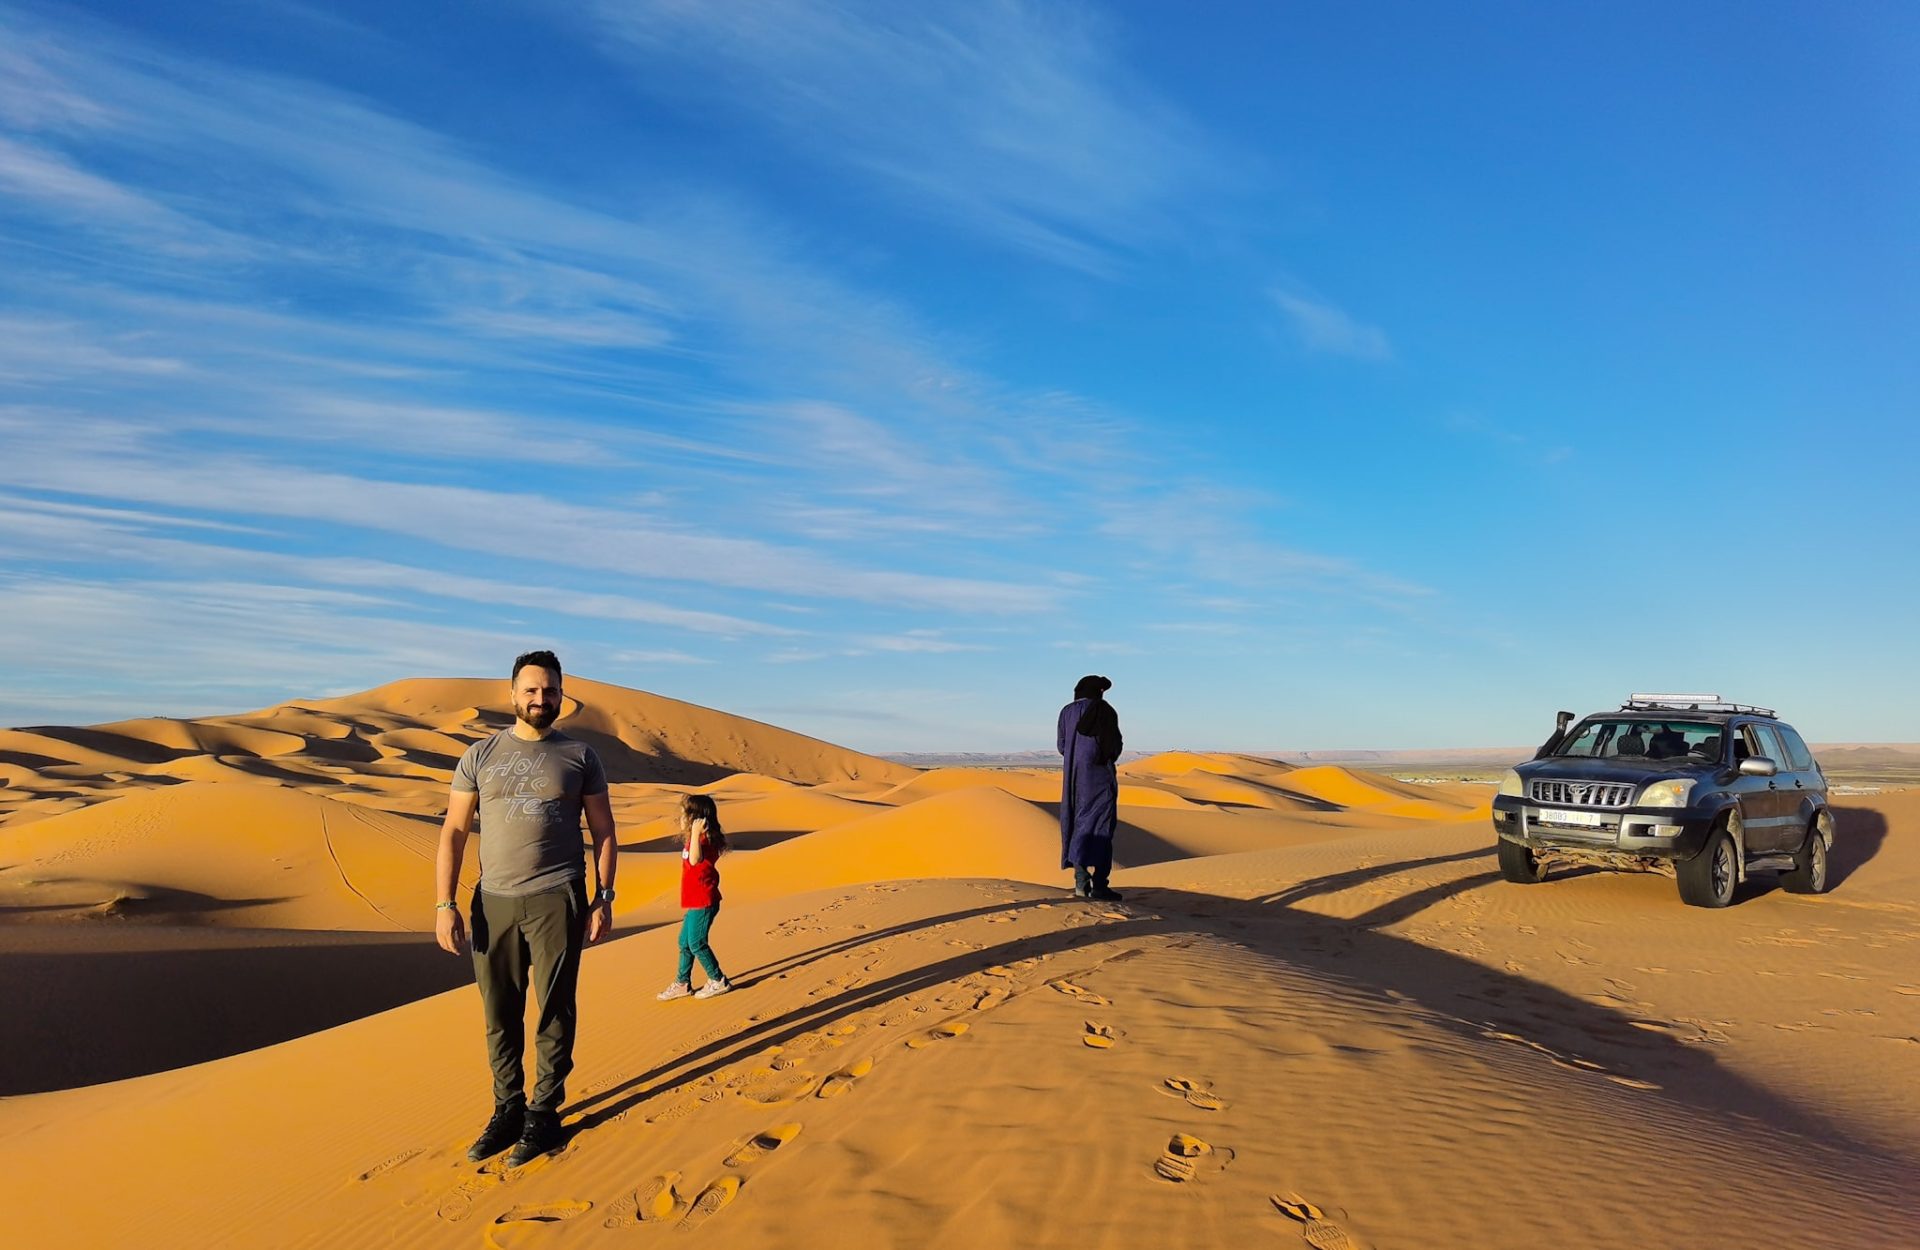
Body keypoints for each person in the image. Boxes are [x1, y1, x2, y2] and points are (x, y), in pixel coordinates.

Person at [435, 650, 617, 1166]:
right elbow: (453, 830)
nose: (541, 699)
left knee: (554, 1010)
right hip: (493, 902)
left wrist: (604, 898)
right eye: (532, 690)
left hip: (557, 898)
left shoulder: (580, 756)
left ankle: (544, 1114)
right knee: (499, 1015)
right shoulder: (479, 755)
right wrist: (444, 903)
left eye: (551, 690)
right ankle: (507, 1109)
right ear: (513, 694)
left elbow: (604, 831)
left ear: (563, 695)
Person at [656, 793, 732, 1001]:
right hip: (694, 901)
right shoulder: (695, 839)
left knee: (697, 943)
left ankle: (718, 980)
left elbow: (695, 861)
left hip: (704, 901)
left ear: (697, 818)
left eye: (684, 815)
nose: (680, 819)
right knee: (684, 942)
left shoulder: (705, 839)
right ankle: (682, 983)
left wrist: (697, 832)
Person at [1058, 674, 1123, 901]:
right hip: (1098, 777)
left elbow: (1062, 746)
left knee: (1077, 825)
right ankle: (1100, 886)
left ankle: (1080, 883)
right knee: (1101, 828)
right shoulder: (1105, 710)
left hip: (1074, 779)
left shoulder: (1066, 712)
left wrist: (1077, 757)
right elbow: (1113, 746)